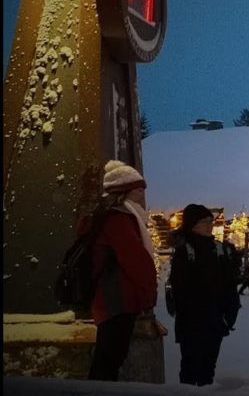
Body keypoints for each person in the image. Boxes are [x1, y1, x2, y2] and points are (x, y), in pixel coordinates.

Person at [83, 160, 158, 381]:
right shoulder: (119, 220)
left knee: (109, 357)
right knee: (109, 360)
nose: (141, 196)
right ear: (123, 192)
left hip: (111, 300)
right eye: (137, 190)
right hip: (117, 300)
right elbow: (136, 260)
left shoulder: (108, 217)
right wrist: (149, 292)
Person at [167, 204, 242, 386]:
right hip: (192, 321)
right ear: (192, 224)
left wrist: (228, 315)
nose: (209, 225)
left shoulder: (220, 249)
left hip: (216, 320)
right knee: (190, 369)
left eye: (210, 221)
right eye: (204, 221)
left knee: (208, 369)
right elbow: (181, 288)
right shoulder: (185, 251)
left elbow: (230, 284)